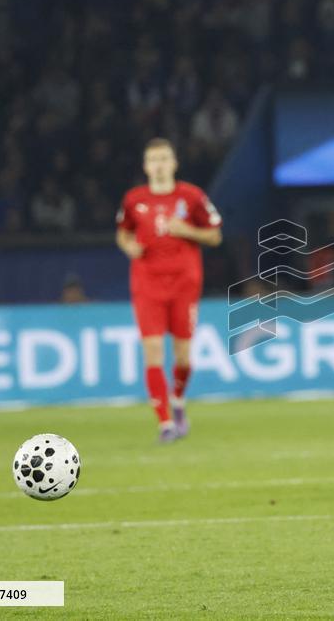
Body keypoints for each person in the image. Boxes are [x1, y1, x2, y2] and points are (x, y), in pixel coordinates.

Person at [116, 138, 223, 443]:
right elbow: (122, 235)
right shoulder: (134, 199)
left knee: (184, 358)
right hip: (147, 283)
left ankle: (177, 400)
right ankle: (164, 423)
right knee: (152, 352)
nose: (159, 165)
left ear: (174, 163)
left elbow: (215, 236)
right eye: (153, 160)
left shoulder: (191, 197)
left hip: (184, 283)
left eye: (164, 158)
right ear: (146, 166)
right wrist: (129, 248)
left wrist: (187, 230)